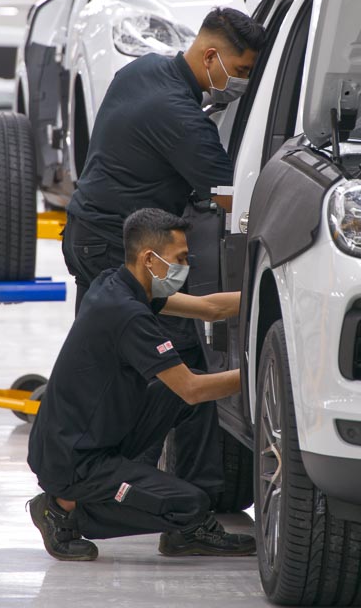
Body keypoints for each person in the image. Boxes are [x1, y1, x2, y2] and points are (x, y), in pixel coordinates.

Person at [28, 209, 254, 561]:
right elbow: (192, 387)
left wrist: (269, 294)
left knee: (184, 399)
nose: (186, 267)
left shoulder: (117, 283)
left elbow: (209, 308)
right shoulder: (127, 314)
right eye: (180, 258)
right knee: (189, 502)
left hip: (95, 434)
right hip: (76, 460)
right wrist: (258, 373)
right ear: (150, 259)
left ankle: (192, 529)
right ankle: (62, 509)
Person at [62, 6, 265, 310]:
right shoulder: (184, 119)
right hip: (117, 245)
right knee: (147, 335)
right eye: (241, 71)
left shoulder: (142, 68)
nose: (244, 82)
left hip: (84, 230)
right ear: (210, 57)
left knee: (97, 332)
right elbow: (234, 199)